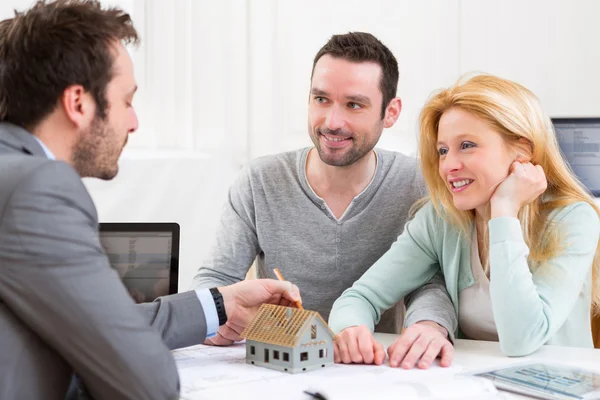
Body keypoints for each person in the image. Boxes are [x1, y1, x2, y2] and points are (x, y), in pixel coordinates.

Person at [0, 1, 301, 399]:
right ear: (78, 103)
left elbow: (100, 323)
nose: (134, 121)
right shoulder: (37, 188)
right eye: (126, 101)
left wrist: (220, 303)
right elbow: (146, 381)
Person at [192, 32, 457, 357]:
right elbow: (217, 277)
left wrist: (429, 325)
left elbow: (430, 280)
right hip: (278, 365)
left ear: (390, 112)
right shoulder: (259, 180)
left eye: (354, 104)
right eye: (321, 99)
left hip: (372, 366)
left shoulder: (418, 184)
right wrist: (215, 316)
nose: (332, 122)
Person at [329, 74, 600, 368]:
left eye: (467, 145)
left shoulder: (572, 219)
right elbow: (361, 297)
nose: (449, 165)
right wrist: (351, 329)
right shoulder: (441, 219)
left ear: (522, 150)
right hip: (470, 386)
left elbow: (522, 339)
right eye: (443, 150)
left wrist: (504, 211)